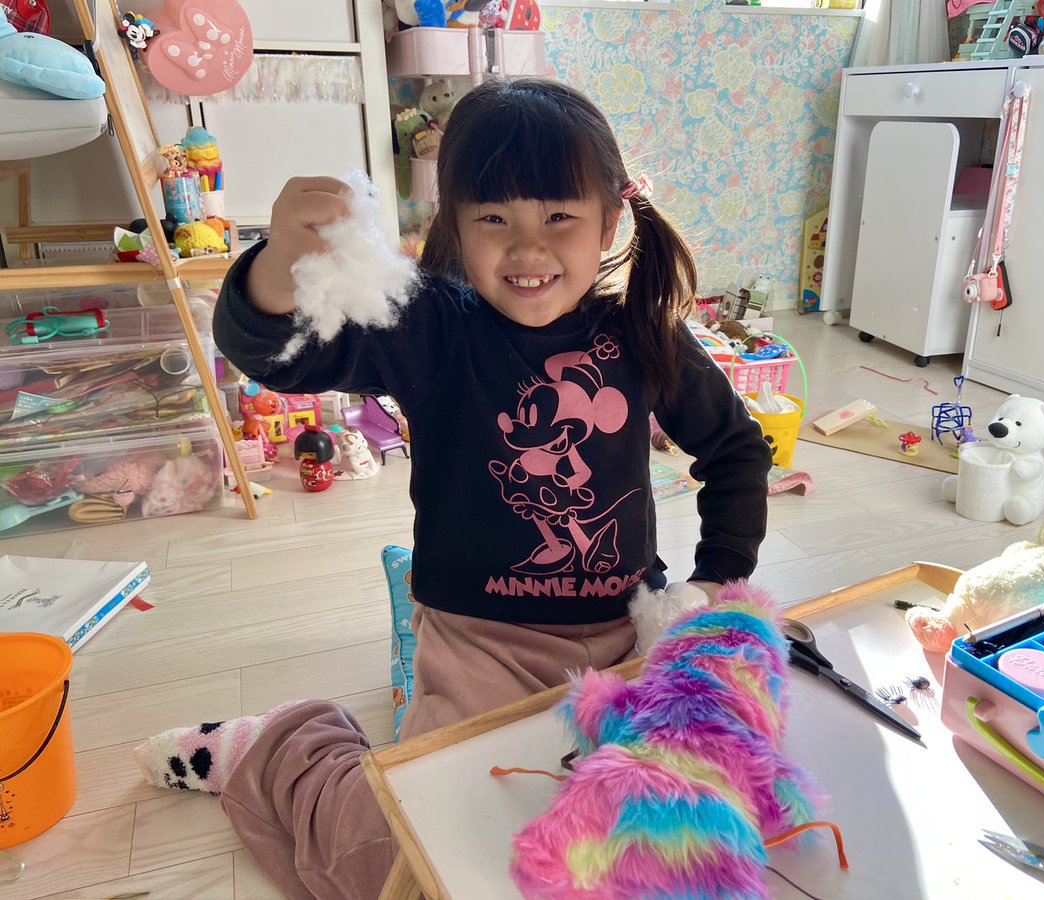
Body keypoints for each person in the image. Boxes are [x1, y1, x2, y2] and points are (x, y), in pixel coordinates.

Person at [133, 78, 772, 898]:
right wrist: (280, 261)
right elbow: (274, 354)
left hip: (628, 629)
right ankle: (280, 748)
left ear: (609, 222)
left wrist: (714, 583)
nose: (529, 250)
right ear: (456, 228)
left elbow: (736, 450)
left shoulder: (643, 333)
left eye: (560, 217)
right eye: (495, 219)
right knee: (412, 863)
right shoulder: (428, 326)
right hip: (480, 641)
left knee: (664, 834)